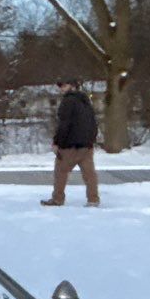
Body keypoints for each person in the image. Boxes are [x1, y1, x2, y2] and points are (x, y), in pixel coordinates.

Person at [44, 79, 101, 207]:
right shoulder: (86, 101)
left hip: (70, 145)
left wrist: (57, 142)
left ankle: (58, 199)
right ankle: (93, 199)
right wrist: (91, 139)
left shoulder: (68, 101)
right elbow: (93, 123)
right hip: (86, 145)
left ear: (72, 86)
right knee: (89, 174)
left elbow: (64, 124)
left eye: (64, 85)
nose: (62, 88)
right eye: (60, 86)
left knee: (60, 172)